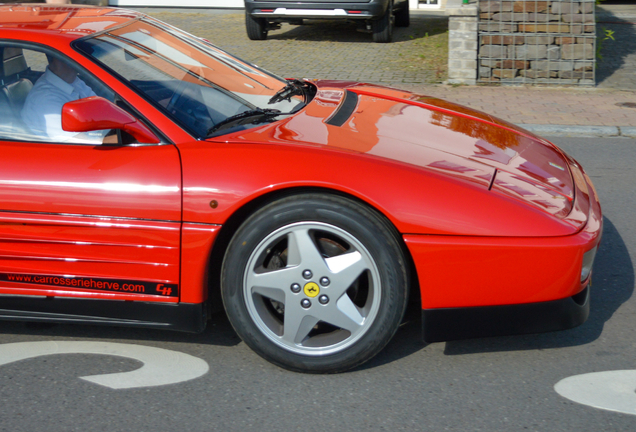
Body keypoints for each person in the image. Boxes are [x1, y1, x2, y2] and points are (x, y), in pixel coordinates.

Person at [21, 55, 108, 143]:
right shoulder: (46, 100)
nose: (85, 59)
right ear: (58, 59)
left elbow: (103, 110)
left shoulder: (73, 81)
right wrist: (120, 139)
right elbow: (84, 146)